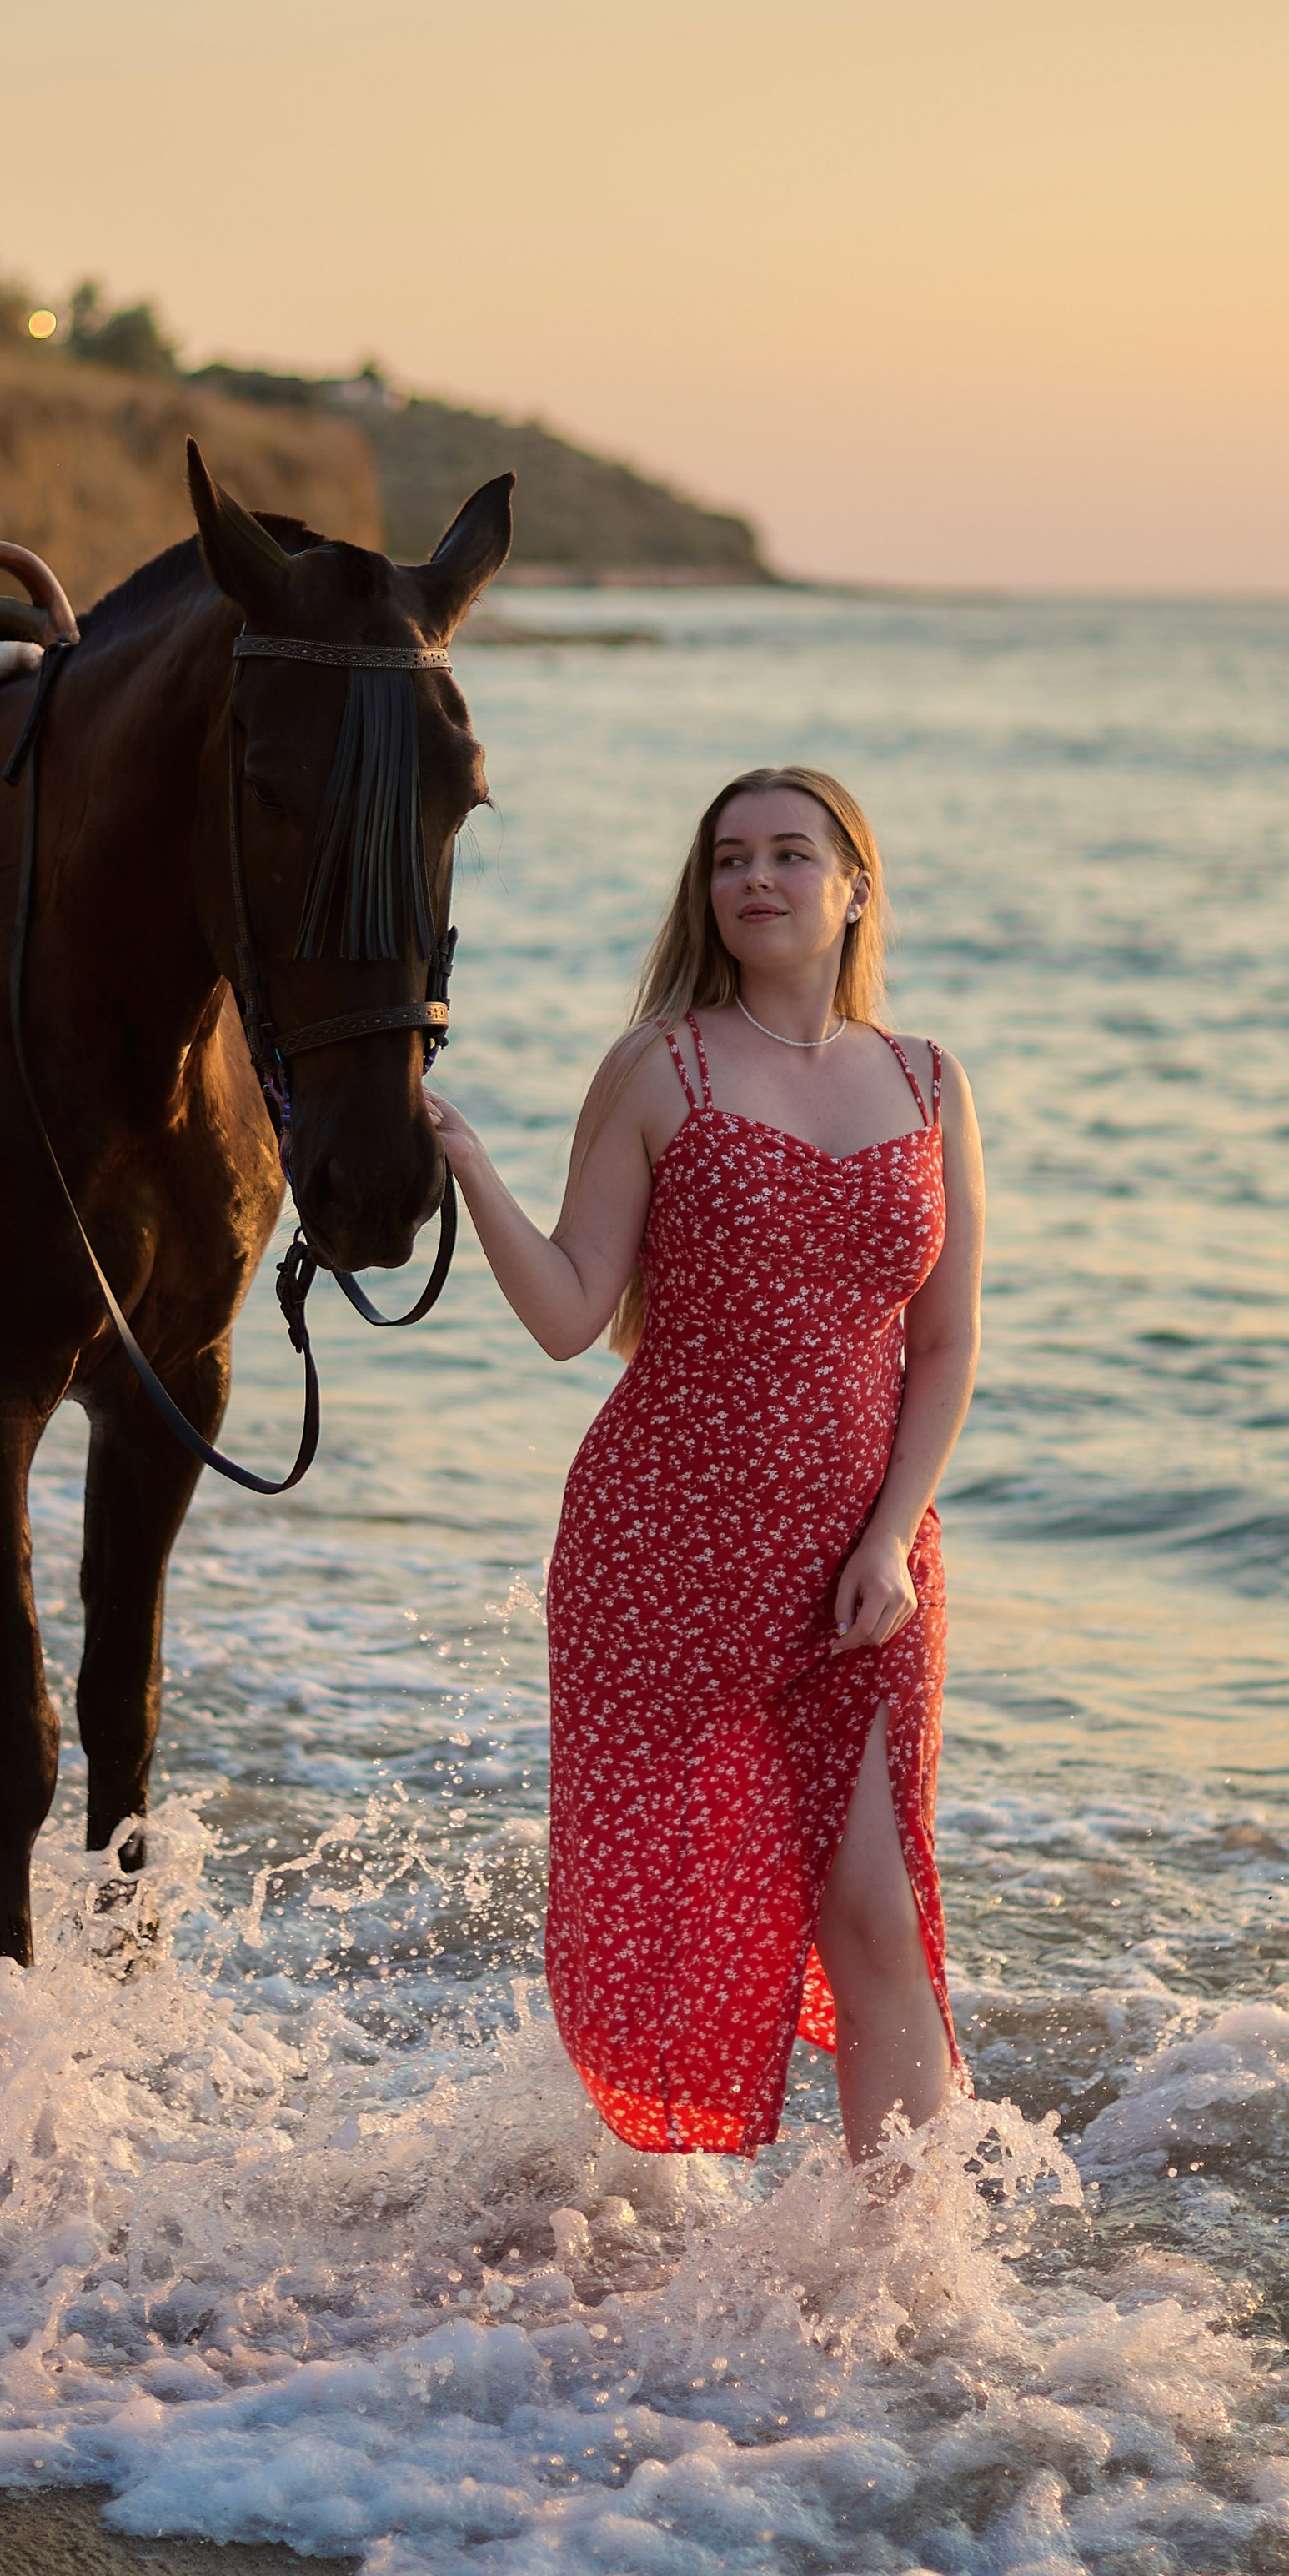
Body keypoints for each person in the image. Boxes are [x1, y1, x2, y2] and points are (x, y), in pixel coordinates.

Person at [427, 766, 984, 2160]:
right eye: (731, 857)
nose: (758, 880)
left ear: (854, 885)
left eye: (792, 855)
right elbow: (569, 1312)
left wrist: (888, 1538)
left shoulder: (927, 1078)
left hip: (868, 1557)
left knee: (874, 1901)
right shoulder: (659, 1066)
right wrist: (469, 1163)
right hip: (668, 1540)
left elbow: (944, 1346)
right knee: (678, 1896)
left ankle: (906, 2263)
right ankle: (616, 2218)